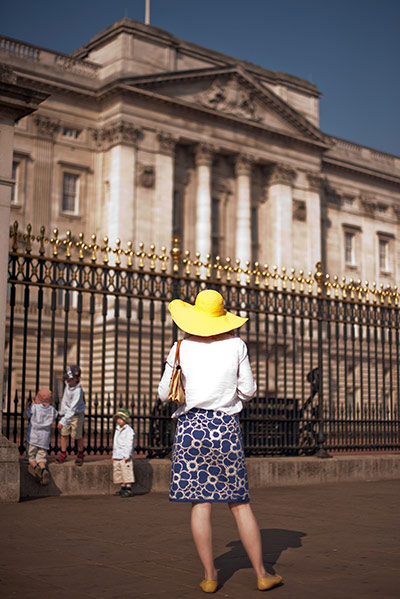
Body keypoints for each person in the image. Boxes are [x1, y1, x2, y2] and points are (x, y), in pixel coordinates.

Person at [158, 289, 283, 593]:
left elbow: (164, 393)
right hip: (225, 426)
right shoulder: (236, 345)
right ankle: (262, 573)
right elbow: (250, 389)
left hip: (191, 428)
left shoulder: (179, 348)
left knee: (201, 504)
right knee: (239, 503)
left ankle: (211, 575)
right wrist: (228, 398)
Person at [24, 388, 57, 485]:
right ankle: (43, 469)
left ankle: (35, 468)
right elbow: (55, 415)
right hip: (44, 439)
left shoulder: (34, 408)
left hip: (33, 438)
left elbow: (25, 416)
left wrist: (26, 406)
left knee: (30, 457)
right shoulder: (52, 410)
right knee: (41, 457)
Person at [56, 365, 85, 465]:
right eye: (67, 378)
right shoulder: (67, 385)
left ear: (77, 379)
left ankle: (80, 453)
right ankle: (63, 453)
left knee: (77, 435)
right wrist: (62, 413)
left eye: (71, 378)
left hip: (76, 415)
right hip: (66, 414)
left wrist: (62, 421)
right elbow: (64, 400)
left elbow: (73, 408)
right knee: (64, 434)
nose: (68, 380)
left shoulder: (78, 391)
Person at [112, 408, 136, 497]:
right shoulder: (117, 429)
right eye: (117, 419)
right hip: (117, 455)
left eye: (120, 418)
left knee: (127, 472)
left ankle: (128, 488)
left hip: (125, 455)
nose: (118, 420)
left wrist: (127, 454)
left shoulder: (129, 430)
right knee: (119, 473)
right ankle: (122, 488)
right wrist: (113, 454)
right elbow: (115, 442)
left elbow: (129, 443)